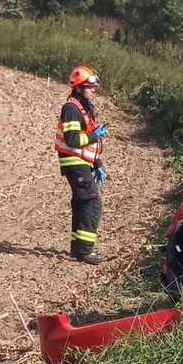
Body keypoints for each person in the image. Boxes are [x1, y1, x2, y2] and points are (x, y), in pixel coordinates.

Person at [54, 65, 107, 264]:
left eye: (94, 87)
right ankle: (85, 250)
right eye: (89, 87)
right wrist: (96, 134)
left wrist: (97, 163)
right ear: (78, 87)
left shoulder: (83, 108)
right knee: (91, 202)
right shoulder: (71, 109)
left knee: (81, 202)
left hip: (82, 162)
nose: (93, 90)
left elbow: (88, 142)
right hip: (74, 163)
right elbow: (73, 140)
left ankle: (77, 248)